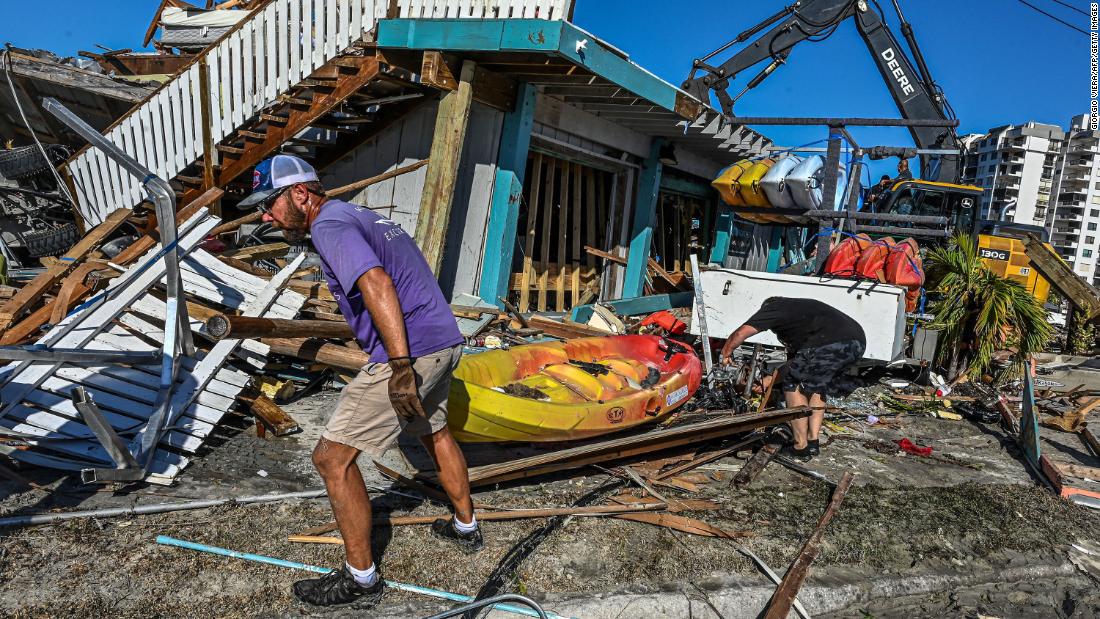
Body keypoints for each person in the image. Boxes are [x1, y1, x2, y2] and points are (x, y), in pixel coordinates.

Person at [239, 154, 480, 609]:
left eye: (269, 205)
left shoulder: (328, 224)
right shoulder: (358, 214)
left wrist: (400, 365)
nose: (266, 217)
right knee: (433, 430)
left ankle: (361, 579)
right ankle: (466, 525)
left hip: (412, 352)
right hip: (444, 338)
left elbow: (376, 281)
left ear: (300, 193)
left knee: (331, 458)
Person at [718, 297, 866, 461]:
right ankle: (812, 441)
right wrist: (768, 380)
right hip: (856, 343)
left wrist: (725, 354)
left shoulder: (774, 307)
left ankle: (800, 447)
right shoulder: (801, 317)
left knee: (793, 385)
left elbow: (741, 333)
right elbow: (794, 365)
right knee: (816, 388)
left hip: (829, 343)